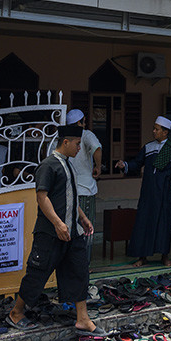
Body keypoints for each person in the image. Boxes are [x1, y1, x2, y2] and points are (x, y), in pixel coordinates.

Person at [6, 125, 102, 338]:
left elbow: (70, 196)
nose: (79, 148)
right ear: (65, 142)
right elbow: (42, 197)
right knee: (37, 274)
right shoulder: (49, 165)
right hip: (50, 233)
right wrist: (58, 223)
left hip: (72, 232)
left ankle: (83, 319)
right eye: (77, 144)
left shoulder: (69, 165)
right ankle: (16, 312)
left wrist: (83, 218)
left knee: (79, 272)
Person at [115, 116, 171, 267]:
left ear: (165, 132)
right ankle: (142, 256)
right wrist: (124, 164)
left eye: (157, 129)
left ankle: (164, 257)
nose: (153, 131)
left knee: (164, 224)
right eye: (154, 128)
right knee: (144, 223)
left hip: (165, 194)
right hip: (148, 192)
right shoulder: (148, 147)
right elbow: (137, 163)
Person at [52, 109, 102, 262]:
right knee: (86, 230)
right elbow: (97, 148)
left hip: (69, 190)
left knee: (71, 229)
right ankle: (84, 264)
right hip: (85, 189)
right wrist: (98, 167)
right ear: (82, 121)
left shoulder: (63, 138)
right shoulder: (86, 134)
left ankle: (73, 263)